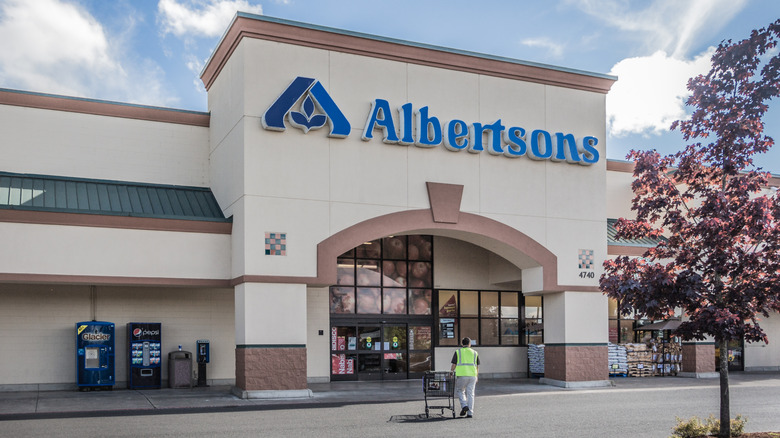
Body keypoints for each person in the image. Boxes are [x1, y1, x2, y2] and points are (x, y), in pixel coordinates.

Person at [450, 337, 479, 418]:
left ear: (462, 344)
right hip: (472, 375)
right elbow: (477, 366)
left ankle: (464, 405)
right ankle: (470, 413)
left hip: (462, 375)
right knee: (471, 394)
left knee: (460, 391)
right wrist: (477, 376)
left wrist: (451, 372)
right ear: (470, 344)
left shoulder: (458, 352)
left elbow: (454, 364)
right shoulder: (475, 353)